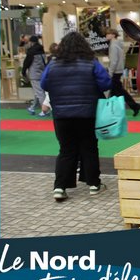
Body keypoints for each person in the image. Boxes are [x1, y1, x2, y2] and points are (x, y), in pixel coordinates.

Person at [40, 32, 111, 201]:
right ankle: (94, 184)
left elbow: (44, 84)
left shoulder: (53, 64)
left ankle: (60, 187)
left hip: (61, 115)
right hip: (88, 113)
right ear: (84, 46)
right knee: (89, 148)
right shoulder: (91, 62)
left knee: (66, 150)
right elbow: (106, 83)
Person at [105, 28, 140, 116]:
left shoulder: (113, 46)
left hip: (115, 71)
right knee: (116, 91)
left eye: (108, 34)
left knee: (118, 91)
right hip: (119, 70)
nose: (106, 36)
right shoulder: (118, 44)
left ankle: (134, 106)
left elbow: (114, 61)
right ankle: (112, 109)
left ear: (113, 35)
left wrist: (110, 72)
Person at [21, 35, 47, 115]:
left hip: (34, 75)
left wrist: (23, 72)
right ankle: (32, 108)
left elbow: (26, 63)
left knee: (39, 92)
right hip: (42, 73)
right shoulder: (42, 50)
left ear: (31, 42)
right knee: (38, 91)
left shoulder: (31, 51)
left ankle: (45, 110)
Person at [39, 42, 58, 117]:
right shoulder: (62, 58)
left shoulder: (50, 59)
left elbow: (44, 78)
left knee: (48, 101)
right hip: (56, 83)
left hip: (52, 83)